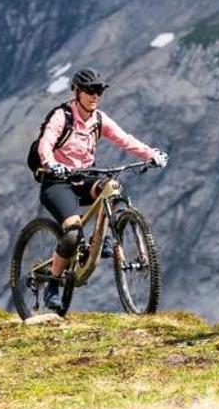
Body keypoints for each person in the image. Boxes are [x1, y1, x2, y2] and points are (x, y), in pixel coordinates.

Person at [32, 67, 166, 281]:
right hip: (57, 182)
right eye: (90, 90)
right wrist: (51, 163)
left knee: (111, 188)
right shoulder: (61, 116)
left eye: (99, 91)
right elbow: (45, 143)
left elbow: (125, 139)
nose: (95, 96)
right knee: (73, 234)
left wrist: (151, 154)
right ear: (77, 91)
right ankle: (53, 281)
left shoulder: (99, 120)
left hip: (83, 179)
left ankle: (99, 240)